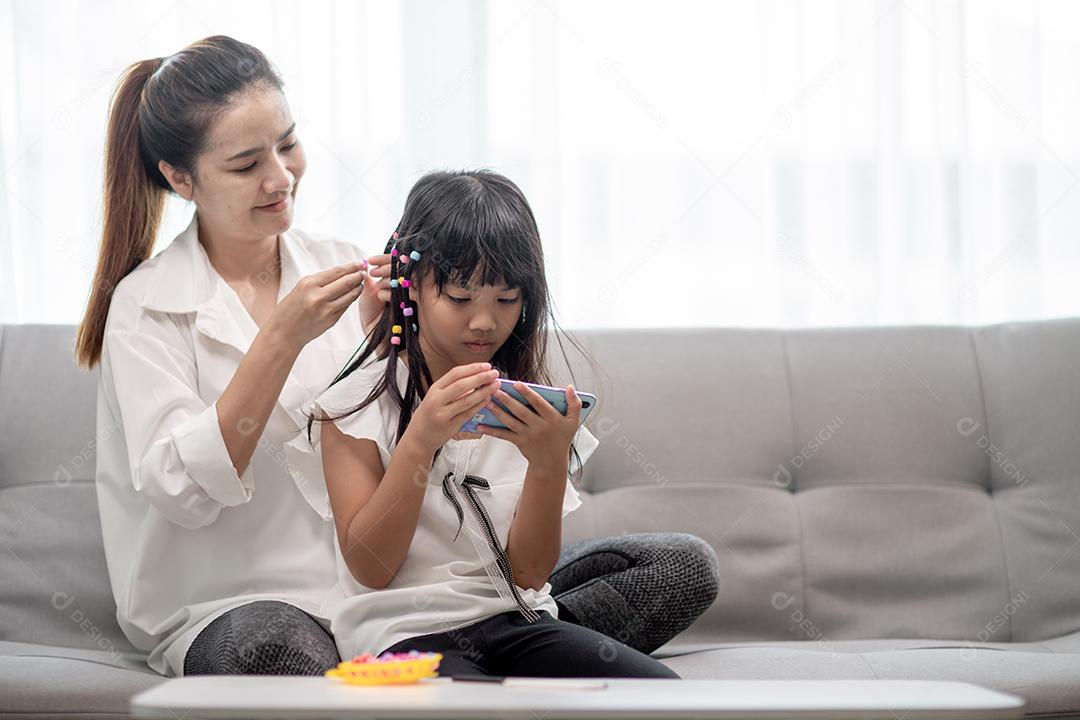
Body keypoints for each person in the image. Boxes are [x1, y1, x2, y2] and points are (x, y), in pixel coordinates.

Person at [75, 35, 718, 678]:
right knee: (278, 656)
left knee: (678, 569)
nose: (280, 177)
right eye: (246, 165)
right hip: (254, 599)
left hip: (415, 586)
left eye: (288, 143)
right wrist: (279, 340)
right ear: (180, 178)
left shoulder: (346, 267)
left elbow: (424, 374)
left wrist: (384, 337)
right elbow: (182, 493)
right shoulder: (146, 306)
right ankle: (440, 656)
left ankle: (495, 643)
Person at [304, 169, 680, 678]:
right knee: (471, 706)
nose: (484, 322)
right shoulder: (350, 408)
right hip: (401, 631)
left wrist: (547, 463)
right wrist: (419, 443)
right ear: (409, 288)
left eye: (506, 300)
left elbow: (528, 574)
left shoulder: (526, 405)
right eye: (460, 299)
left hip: (515, 619)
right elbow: (371, 569)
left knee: (660, 693)